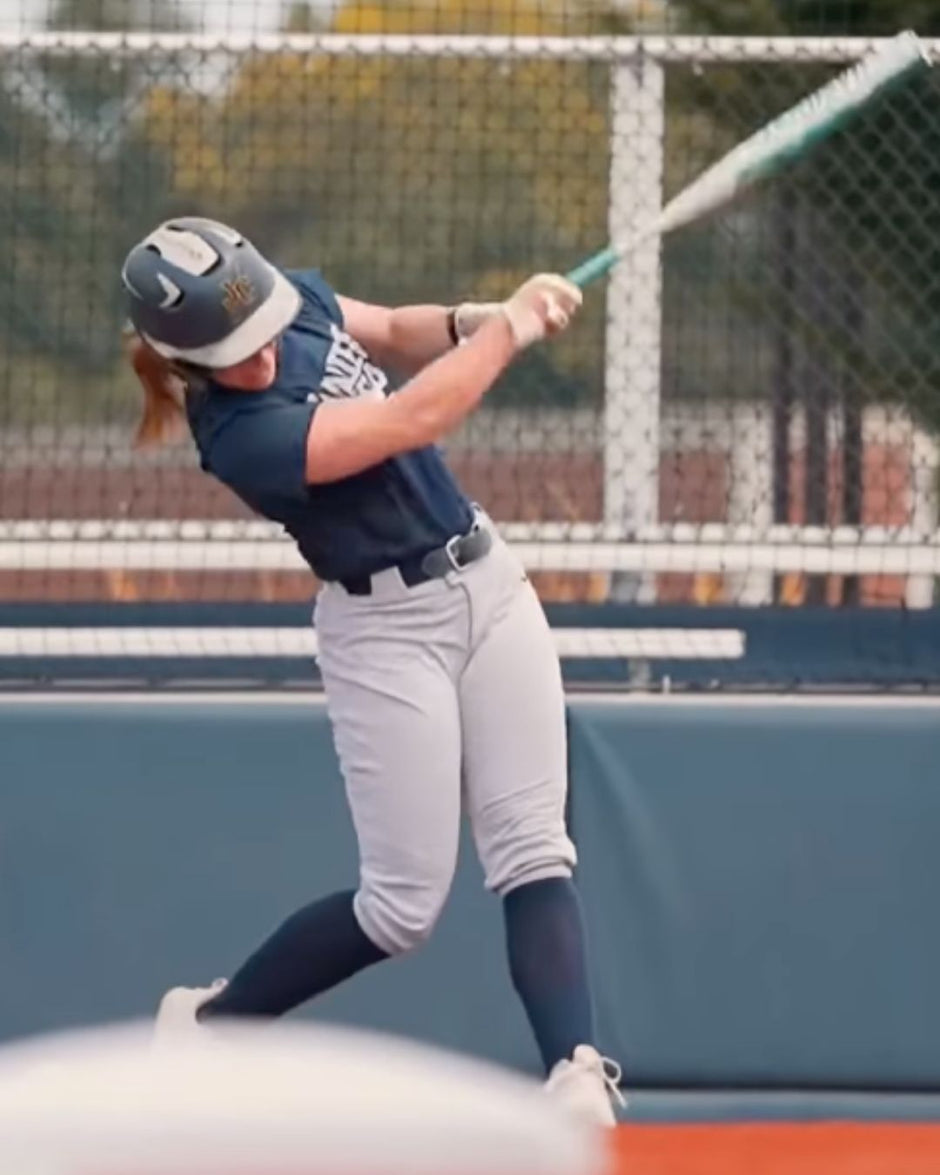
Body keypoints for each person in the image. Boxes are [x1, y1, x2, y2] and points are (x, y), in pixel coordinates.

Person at [121, 216, 623, 1127]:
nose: (258, 358)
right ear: (184, 360)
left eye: (258, 329)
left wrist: (474, 317)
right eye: (230, 354)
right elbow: (409, 418)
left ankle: (576, 1070)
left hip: (491, 582)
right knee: (401, 909)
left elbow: (391, 329)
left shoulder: (290, 300)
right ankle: (211, 1023)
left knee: (533, 845)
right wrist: (508, 331)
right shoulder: (239, 437)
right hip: (386, 630)